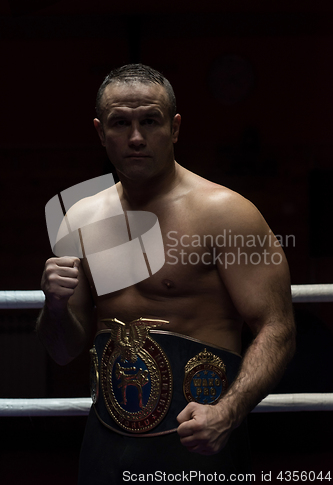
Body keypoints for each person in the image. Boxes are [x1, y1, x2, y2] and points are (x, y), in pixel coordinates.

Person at [37, 64, 295, 484]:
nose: (136, 137)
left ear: (174, 128)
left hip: (201, 437)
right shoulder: (79, 218)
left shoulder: (227, 213)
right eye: (121, 123)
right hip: (106, 441)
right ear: (102, 132)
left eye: (149, 121)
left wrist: (227, 413)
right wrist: (55, 304)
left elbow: (278, 327)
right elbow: (63, 348)